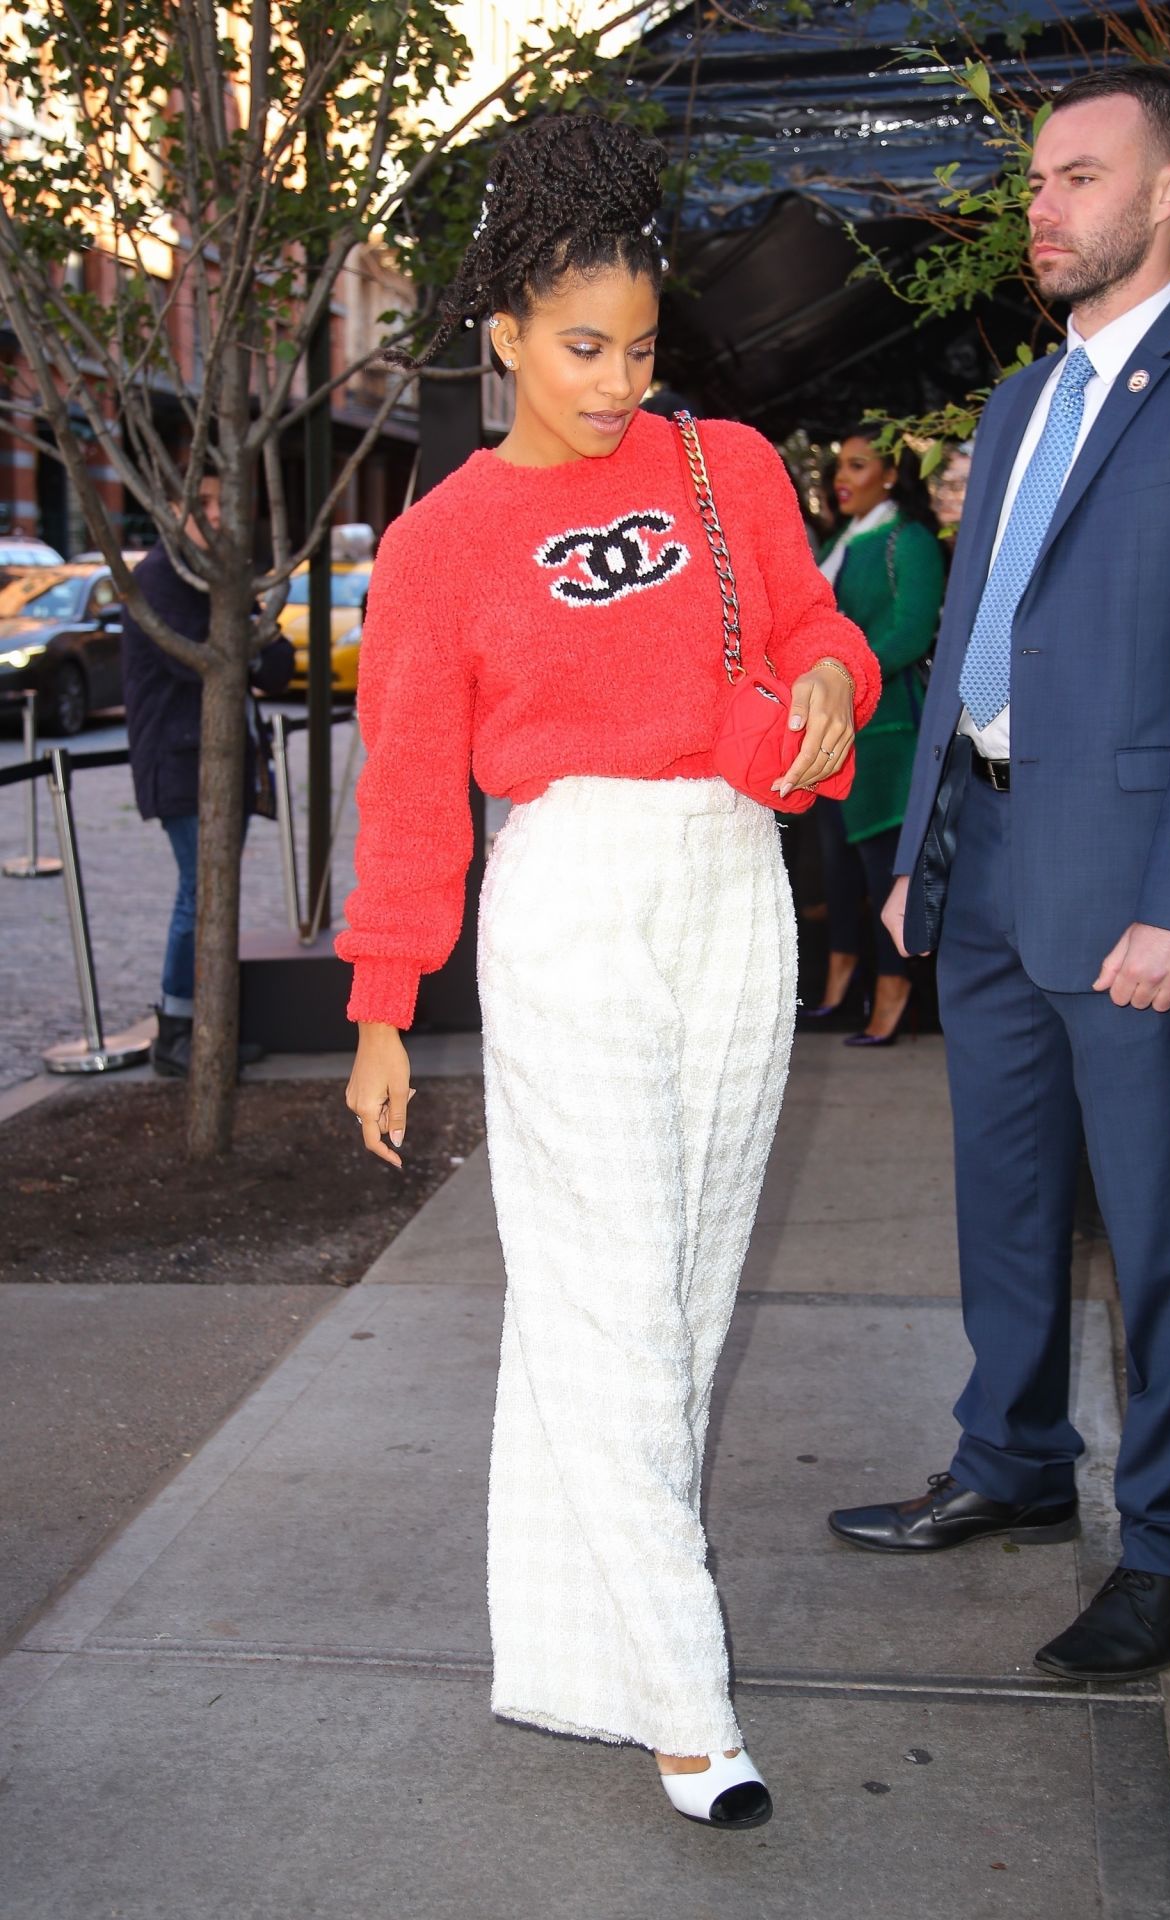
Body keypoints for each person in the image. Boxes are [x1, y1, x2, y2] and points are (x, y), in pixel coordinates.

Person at [337, 113, 879, 1827]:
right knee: (614, 1299)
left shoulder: (722, 468)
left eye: (643, 347)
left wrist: (838, 691)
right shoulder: (438, 546)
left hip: (731, 890)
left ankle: (588, 1647)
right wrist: (380, 1009)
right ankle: (686, 1701)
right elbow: (415, 791)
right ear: (500, 329)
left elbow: (814, 634)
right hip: (567, 903)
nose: (617, 380)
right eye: (583, 348)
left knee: (684, 1292)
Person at [829, 66, 1170, 1682]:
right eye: (1036, 180)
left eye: (1080, 176)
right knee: (1005, 1201)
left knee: (1158, 1239)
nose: (1044, 205)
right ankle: (1013, 1463)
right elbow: (972, 633)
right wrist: (922, 850)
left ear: (1167, 196)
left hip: (1139, 886)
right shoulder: (1018, 402)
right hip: (992, 856)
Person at [121, 471, 294, 1076]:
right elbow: (203, 668)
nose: (218, 515)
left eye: (224, 502)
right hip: (181, 762)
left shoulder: (218, 576)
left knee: (212, 895)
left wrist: (246, 640)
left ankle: (207, 1029)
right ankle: (176, 1032)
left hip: (226, 760)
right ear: (171, 507)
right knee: (201, 895)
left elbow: (273, 665)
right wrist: (244, 642)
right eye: (203, 503)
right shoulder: (161, 578)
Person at [803, 427, 944, 1041]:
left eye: (858, 465)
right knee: (840, 869)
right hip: (837, 731)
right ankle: (842, 985)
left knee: (887, 871)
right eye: (840, 465)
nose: (842, 477)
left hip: (888, 731)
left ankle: (893, 999)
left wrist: (842, 675)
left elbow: (913, 632)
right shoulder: (840, 543)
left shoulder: (907, 540)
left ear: (889, 475)